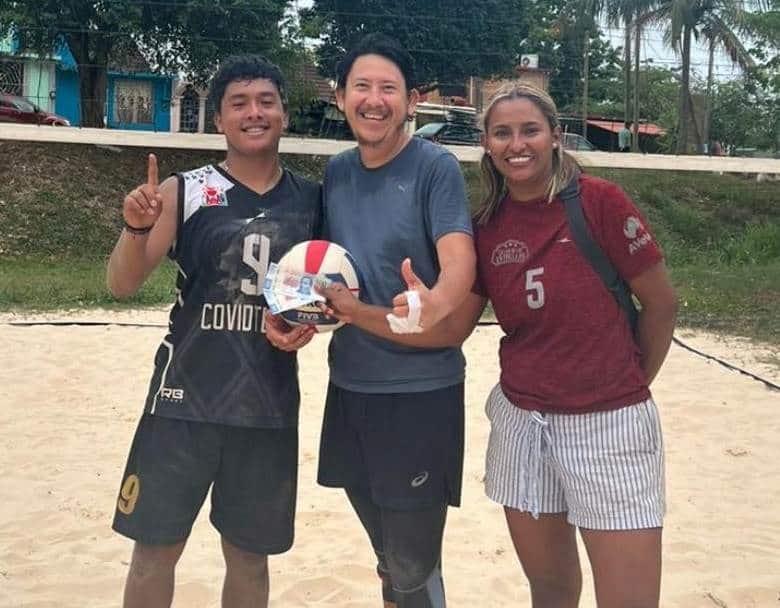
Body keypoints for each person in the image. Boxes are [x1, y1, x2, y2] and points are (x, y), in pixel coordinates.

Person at [323, 82, 678, 608]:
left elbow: (662, 304)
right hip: (522, 424)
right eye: (503, 133)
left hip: (609, 424)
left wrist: (628, 383)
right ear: (486, 144)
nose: (518, 144)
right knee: (551, 590)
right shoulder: (488, 226)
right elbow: (449, 329)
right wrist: (360, 313)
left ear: (555, 136)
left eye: (530, 130)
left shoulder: (599, 201)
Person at [265, 33, 476, 608]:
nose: (374, 99)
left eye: (389, 88)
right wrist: (292, 318)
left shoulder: (436, 169)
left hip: (420, 393)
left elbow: (459, 261)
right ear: (340, 96)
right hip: (351, 384)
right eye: (362, 86)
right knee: (388, 559)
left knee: (412, 566)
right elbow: (328, 273)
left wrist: (436, 301)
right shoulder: (338, 173)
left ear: (411, 101)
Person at [106, 55, 321, 608]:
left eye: (265, 101)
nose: (254, 113)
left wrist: (310, 327)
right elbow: (121, 284)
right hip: (183, 400)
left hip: (266, 405)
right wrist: (136, 227)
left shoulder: (312, 199)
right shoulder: (186, 190)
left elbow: (324, 298)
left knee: (249, 559)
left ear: (284, 113)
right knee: (154, 551)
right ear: (219, 120)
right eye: (239, 103)